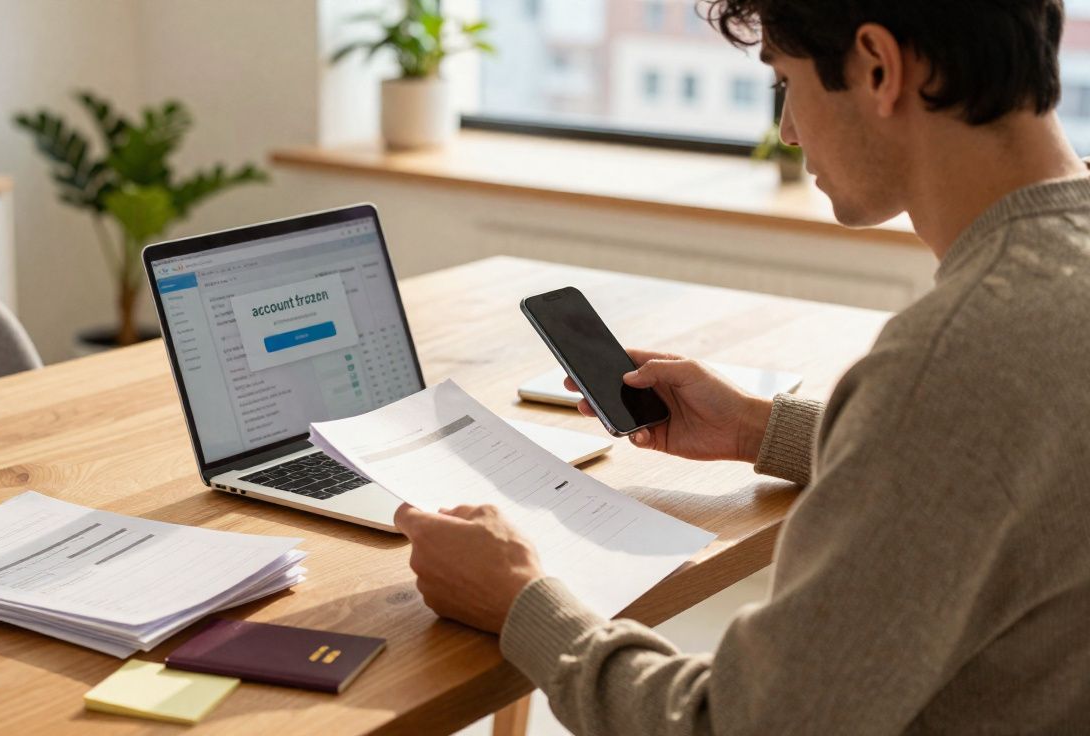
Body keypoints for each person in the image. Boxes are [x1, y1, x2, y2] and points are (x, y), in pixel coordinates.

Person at [394, 0, 1090, 732]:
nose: (787, 130)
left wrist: (521, 601)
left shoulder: (951, 361)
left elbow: (735, 724)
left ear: (879, 68)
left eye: (785, 82)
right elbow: (999, 455)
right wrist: (760, 429)